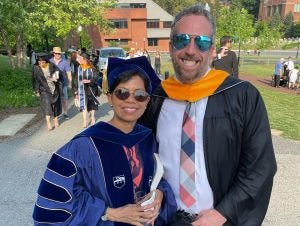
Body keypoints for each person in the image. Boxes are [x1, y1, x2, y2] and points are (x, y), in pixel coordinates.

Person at [138, 4, 277, 226]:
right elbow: (142, 156)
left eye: (201, 42)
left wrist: (223, 213)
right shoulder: (156, 98)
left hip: (219, 220)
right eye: (182, 40)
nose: (190, 50)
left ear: (213, 50)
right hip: (167, 219)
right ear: (170, 46)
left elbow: (261, 166)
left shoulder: (242, 96)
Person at [32, 56, 176, 226]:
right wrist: (110, 213)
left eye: (140, 95)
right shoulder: (82, 147)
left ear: (147, 101)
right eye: (122, 93)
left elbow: (160, 178)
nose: (131, 100)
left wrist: (160, 193)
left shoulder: (147, 138)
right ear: (110, 98)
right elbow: (53, 205)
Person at [32, 53, 63, 130]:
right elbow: (34, 80)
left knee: (55, 104)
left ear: (46, 61)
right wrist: (36, 90)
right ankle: (48, 123)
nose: (41, 64)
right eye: (39, 62)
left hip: (54, 88)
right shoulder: (36, 68)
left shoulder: (51, 65)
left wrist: (56, 77)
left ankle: (55, 119)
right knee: (47, 105)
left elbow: (59, 73)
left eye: (42, 62)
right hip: (44, 89)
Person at [76, 52, 101, 128]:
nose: (79, 60)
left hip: (91, 88)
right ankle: (85, 121)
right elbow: (76, 79)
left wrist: (89, 81)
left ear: (85, 60)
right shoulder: (79, 68)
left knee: (92, 103)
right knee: (83, 104)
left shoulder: (92, 68)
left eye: (81, 58)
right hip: (82, 89)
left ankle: (93, 117)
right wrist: (76, 90)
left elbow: (96, 77)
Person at [50, 46, 72, 119]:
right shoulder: (50, 62)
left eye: (59, 54)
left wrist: (70, 83)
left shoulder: (65, 62)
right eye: (56, 53)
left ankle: (65, 113)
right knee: (55, 99)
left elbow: (69, 73)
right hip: (52, 84)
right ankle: (57, 114)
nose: (57, 55)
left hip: (63, 83)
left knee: (64, 98)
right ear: (53, 53)